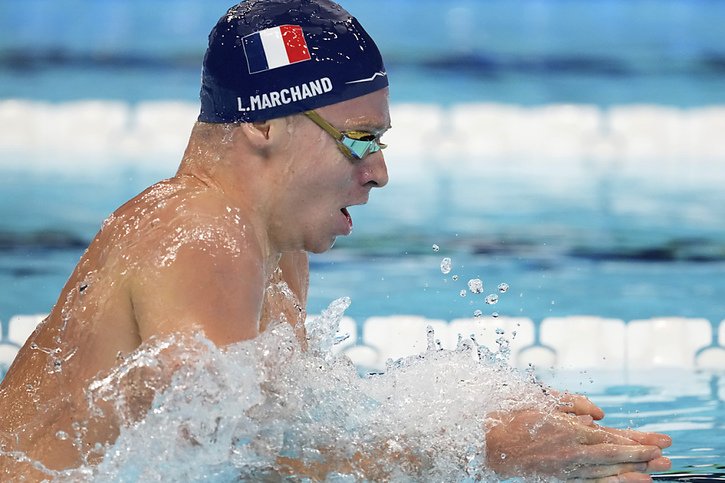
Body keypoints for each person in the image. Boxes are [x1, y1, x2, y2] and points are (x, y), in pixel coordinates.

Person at [0, 0, 671, 480]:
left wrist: (479, 413)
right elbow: (225, 467)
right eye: (358, 139)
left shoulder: (276, 247)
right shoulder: (199, 228)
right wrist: (487, 454)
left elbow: (291, 434)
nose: (377, 171)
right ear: (264, 124)